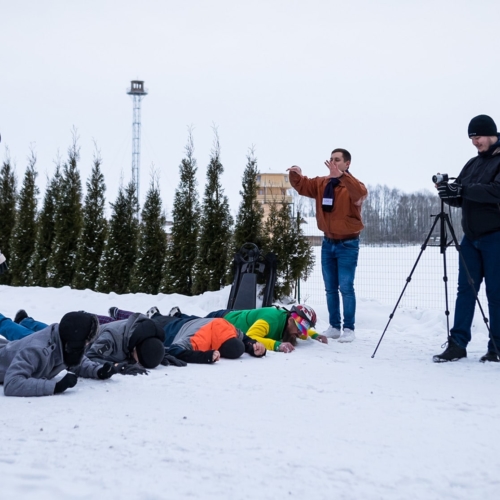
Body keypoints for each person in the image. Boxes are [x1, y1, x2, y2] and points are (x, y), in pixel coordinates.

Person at [433, 114, 500, 363]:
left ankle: (496, 348)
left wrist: (463, 189)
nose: (475, 142)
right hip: (470, 238)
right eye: (472, 138)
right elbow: (461, 197)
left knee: (496, 293)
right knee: (465, 291)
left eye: (478, 136)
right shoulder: (472, 164)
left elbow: (495, 191)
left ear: (492, 133)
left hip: (496, 237)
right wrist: (447, 192)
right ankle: (458, 344)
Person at [288, 149, 367, 343]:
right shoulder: (322, 183)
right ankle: (334, 326)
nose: (332, 162)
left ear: (347, 164)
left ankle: (349, 328)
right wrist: (295, 173)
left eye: (337, 160)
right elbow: (303, 185)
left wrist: (342, 177)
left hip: (348, 244)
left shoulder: (354, 186)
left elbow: (360, 194)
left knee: (346, 287)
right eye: (331, 159)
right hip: (328, 242)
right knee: (330, 287)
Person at [0, 311, 120, 397]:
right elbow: (12, 383)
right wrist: (55, 386)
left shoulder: (63, 342)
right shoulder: (36, 350)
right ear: (75, 342)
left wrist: (99, 371)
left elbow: (79, 362)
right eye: (86, 341)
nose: (88, 345)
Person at [103, 307, 267, 363]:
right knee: (140, 323)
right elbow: (175, 350)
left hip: (193, 321)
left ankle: (156, 314)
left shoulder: (230, 329)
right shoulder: (200, 340)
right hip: (173, 330)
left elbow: (244, 339)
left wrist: (253, 347)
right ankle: (116, 315)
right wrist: (205, 356)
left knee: (156, 318)